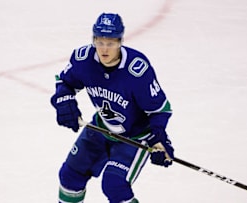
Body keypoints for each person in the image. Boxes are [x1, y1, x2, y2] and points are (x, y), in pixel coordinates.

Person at [50, 13, 175, 203]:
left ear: (120, 41)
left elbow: (159, 109)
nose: (104, 49)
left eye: (110, 43)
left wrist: (158, 139)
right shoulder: (83, 59)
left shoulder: (137, 70)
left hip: (135, 137)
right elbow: (65, 83)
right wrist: (64, 102)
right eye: (100, 42)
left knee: (114, 186)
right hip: (101, 128)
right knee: (70, 176)